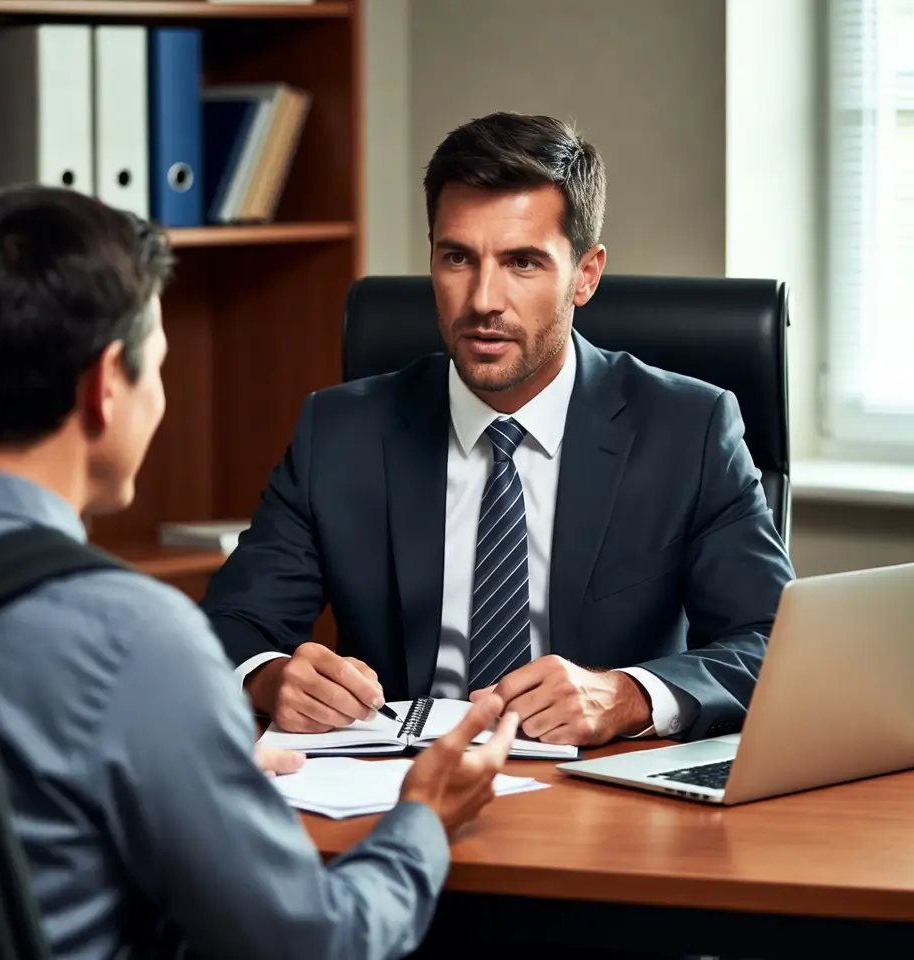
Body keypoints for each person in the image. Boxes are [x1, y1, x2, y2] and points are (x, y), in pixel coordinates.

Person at [0, 185, 520, 960]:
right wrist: (423, 817)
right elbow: (318, 943)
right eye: (156, 366)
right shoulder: (129, 640)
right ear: (103, 389)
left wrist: (189, 756)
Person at [201, 111, 796, 749]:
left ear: (586, 275)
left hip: (603, 795)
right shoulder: (341, 432)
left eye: (522, 263)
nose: (484, 298)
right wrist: (269, 678)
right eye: (458, 257)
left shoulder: (688, 429)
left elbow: (772, 647)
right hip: (392, 788)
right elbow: (230, 625)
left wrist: (626, 696)